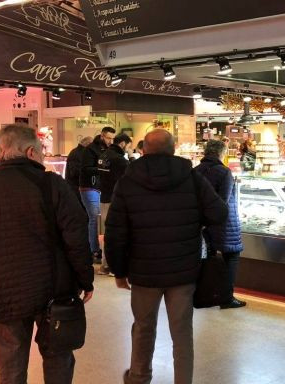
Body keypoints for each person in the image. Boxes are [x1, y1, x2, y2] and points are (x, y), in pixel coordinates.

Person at [0, 124, 94, 384]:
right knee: (58, 355)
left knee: (10, 361)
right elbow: (77, 236)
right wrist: (85, 279)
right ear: (30, 152)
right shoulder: (53, 185)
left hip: (0, 289)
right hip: (53, 288)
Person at [105, 129, 227, 384]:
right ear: (173, 149)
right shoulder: (192, 178)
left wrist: (118, 270)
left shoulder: (128, 181)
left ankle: (139, 377)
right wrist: (196, 221)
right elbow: (219, 213)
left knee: (143, 327)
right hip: (183, 270)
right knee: (182, 332)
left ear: (144, 150)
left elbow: (116, 231)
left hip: (143, 271)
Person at [194, 139, 246, 309]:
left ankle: (206, 293)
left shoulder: (195, 171)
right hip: (224, 224)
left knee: (207, 258)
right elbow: (222, 201)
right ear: (221, 153)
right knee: (232, 256)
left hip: (202, 222)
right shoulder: (224, 172)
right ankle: (226, 297)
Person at [97, 134, 132, 275]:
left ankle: (105, 265)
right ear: (123, 144)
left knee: (106, 233)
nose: (129, 148)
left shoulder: (103, 155)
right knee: (116, 234)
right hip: (116, 200)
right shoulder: (119, 160)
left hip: (104, 197)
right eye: (129, 146)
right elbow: (133, 173)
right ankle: (113, 267)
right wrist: (131, 156)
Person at [80, 126, 115, 264]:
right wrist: (103, 169)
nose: (110, 141)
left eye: (113, 138)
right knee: (94, 217)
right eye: (108, 138)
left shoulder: (108, 150)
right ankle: (94, 249)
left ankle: (96, 248)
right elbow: (86, 169)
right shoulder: (90, 150)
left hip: (101, 188)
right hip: (89, 187)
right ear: (102, 136)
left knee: (98, 218)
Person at [65, 136, 93, 203]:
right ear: (88, 144)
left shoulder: (78, 152)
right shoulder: (77, 154)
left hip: (77, 189)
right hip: (76, 190)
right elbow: (74, 172)